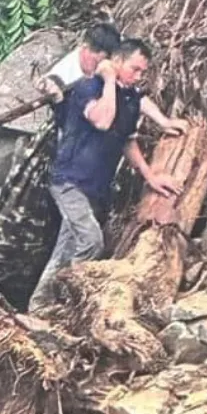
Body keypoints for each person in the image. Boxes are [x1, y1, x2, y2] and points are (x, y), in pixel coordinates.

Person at [27, 39, 183, 313]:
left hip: (94, 187)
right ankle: (71, 304)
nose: (138, 76)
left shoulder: (130, 98)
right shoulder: (88, 87)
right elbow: (102, 120)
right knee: (91, 241)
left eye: (142, 72)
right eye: (134, 69)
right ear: (117, 62)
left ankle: (39, 305)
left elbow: (127, 141)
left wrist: (150, 175)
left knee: (67, 248)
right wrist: (109, 80)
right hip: (68, 181)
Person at [38, 23, 188, 135]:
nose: (101, 66)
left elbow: (134, 94)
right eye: (97, 61)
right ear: (85, 49)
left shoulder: (108, 67)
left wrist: (163, 121)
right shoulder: (63, 75)